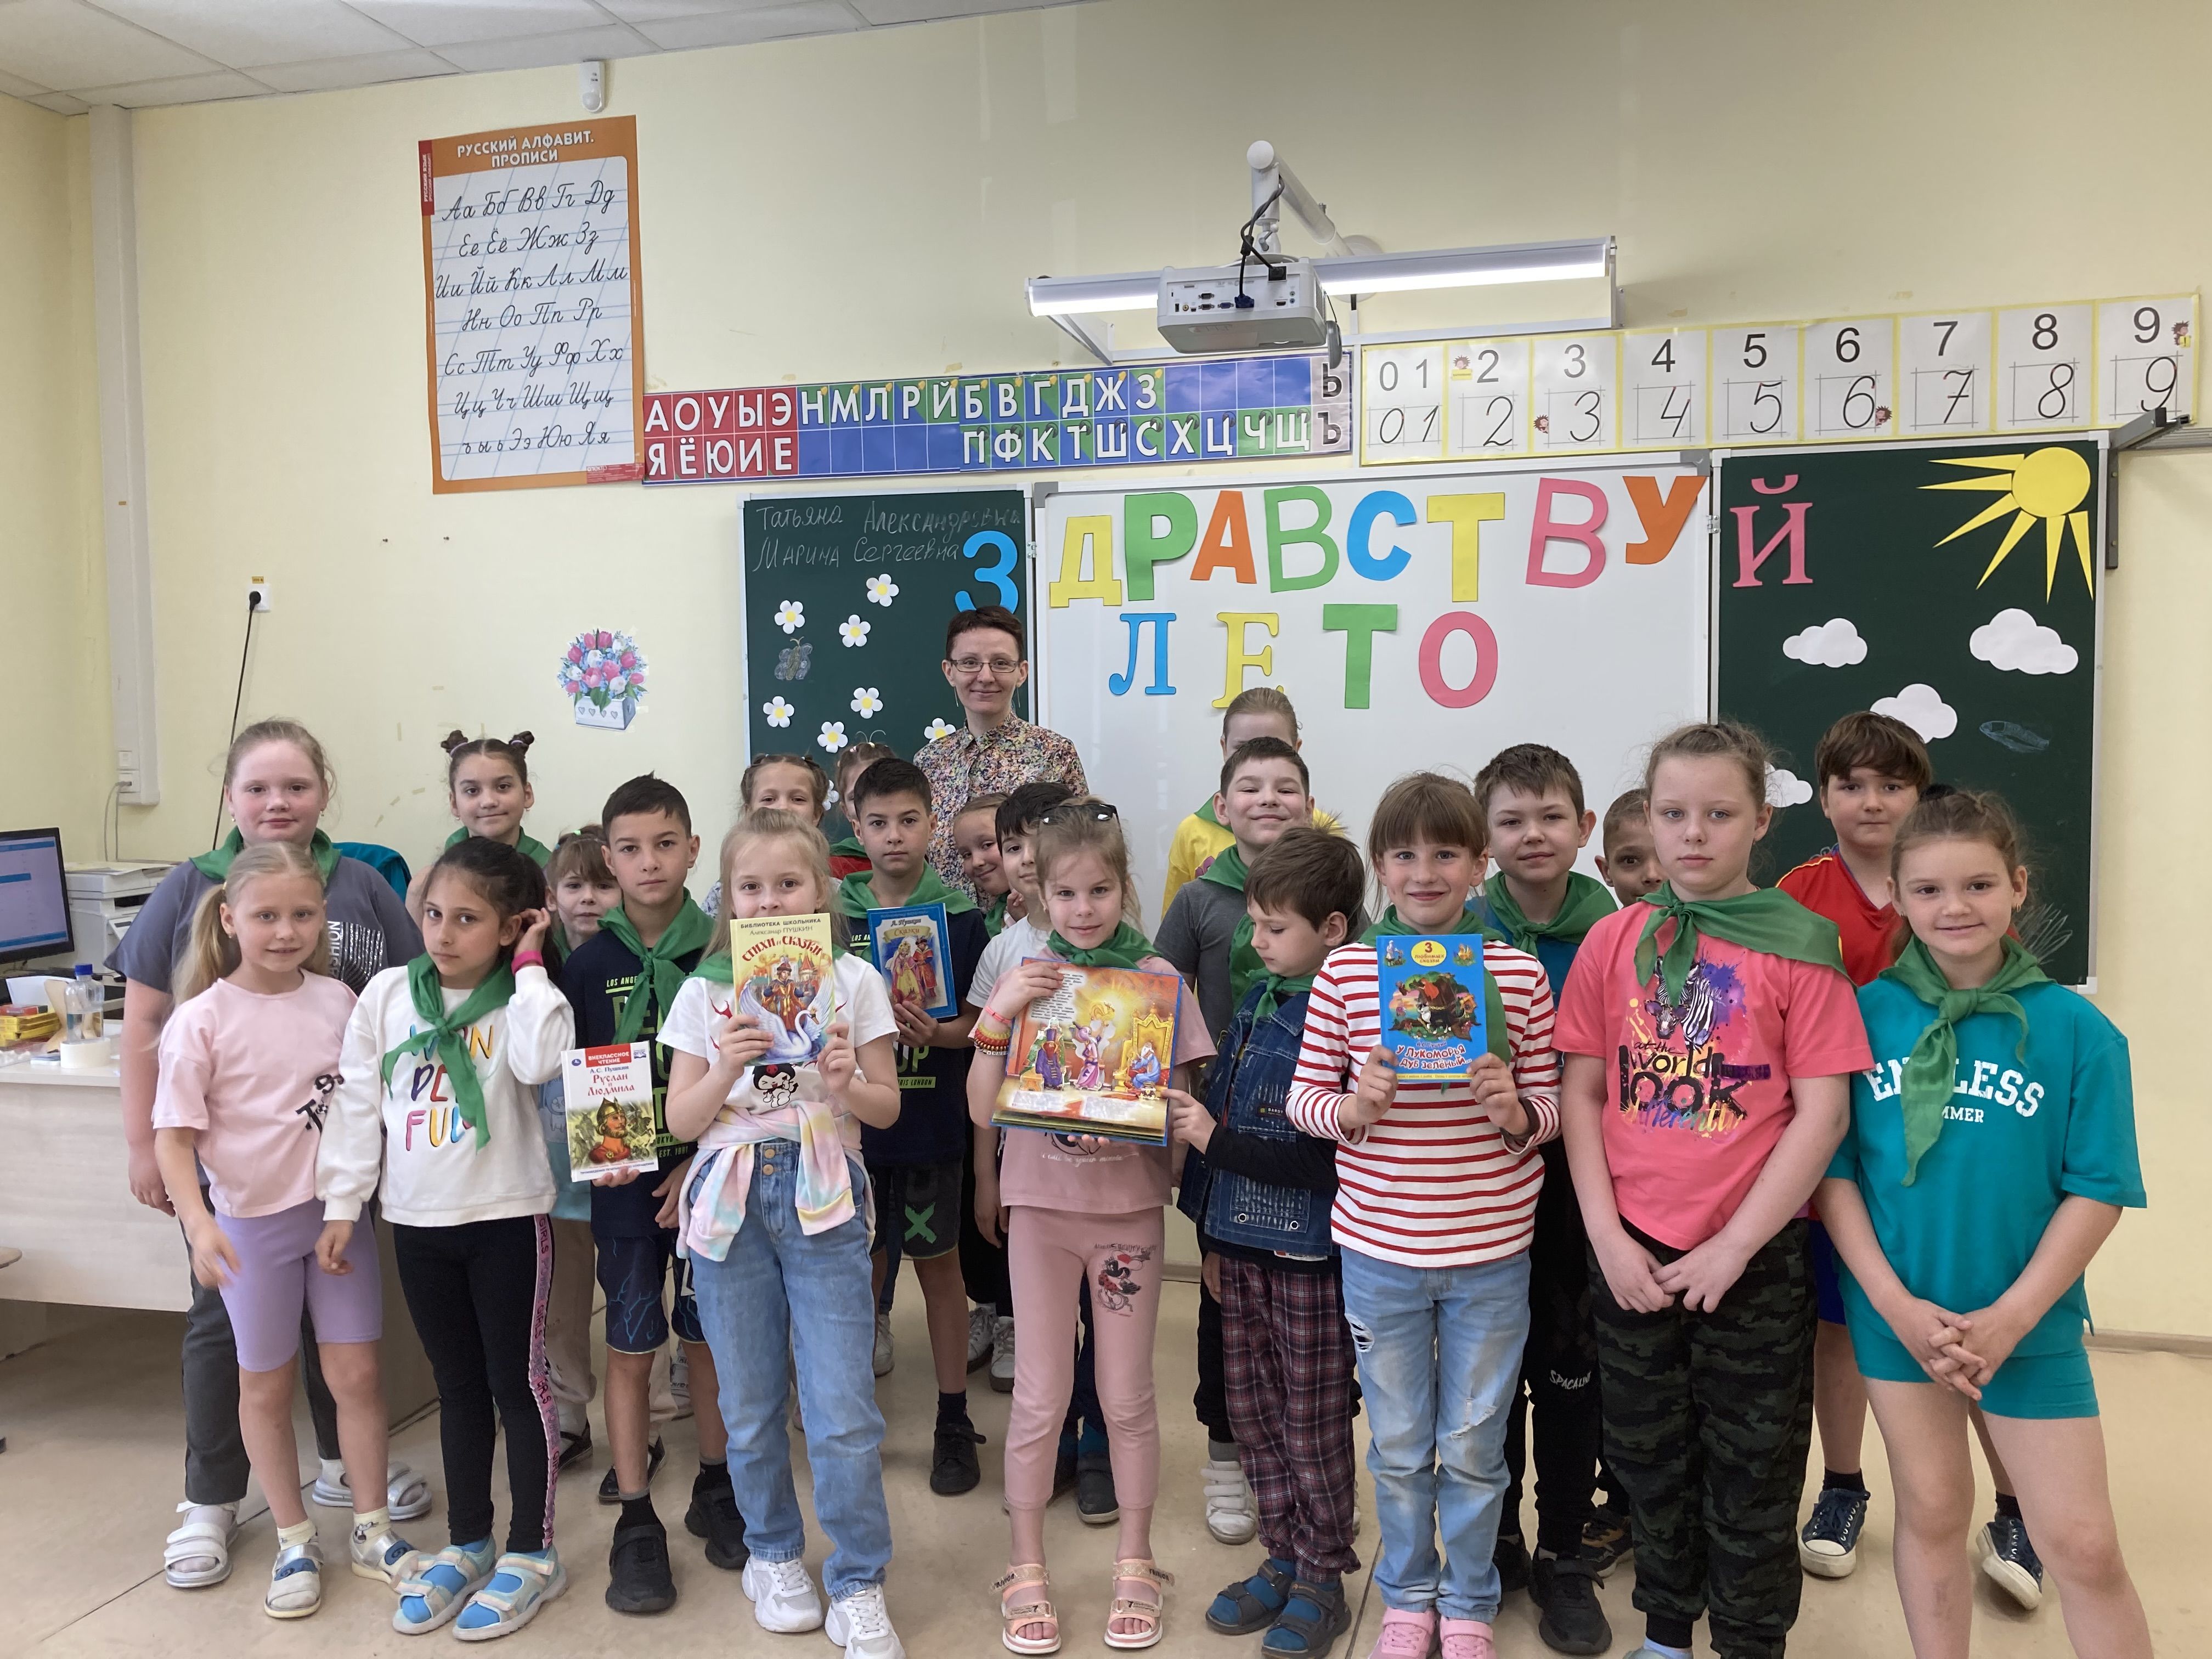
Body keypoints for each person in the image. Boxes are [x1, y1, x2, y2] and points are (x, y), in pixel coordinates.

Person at [1555, 721, 1871, 1659]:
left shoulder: (1800, 944)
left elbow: (1822, 1114)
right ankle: (1665, 1632)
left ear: (1761, 820)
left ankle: (1748, 1640)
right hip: (1633, 1249)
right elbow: (1582, 1092)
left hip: (1753, 1257)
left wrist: (1734, 1246)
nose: (1692, 834)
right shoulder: (1614, 940)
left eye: (1719, 814)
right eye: (1672, 813)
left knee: (1754, 1466)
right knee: (1647, 1455)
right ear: (1648, 819)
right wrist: (1609, 1239)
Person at [1816, 789, 2150, 1659]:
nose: (1954, 907)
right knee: (1931, 1510)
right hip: (1901, 1322)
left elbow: (2099, 1188)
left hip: (2027, 1327)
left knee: (2082, 1543)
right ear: (1896, 896)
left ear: (2019, 887)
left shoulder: (2079, 1032)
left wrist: (2011, 1318)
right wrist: (1893, 1306)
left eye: (1978, 885)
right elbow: (1836, 1175)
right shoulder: (1862, 1017)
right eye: (1928, 890)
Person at [112, 716, 427, 1590]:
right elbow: (172, 1116)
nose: (285, 930)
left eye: (301, 916)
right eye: (258, 787)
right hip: (246, 1223)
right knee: (260, 1377)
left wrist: (351, 1201)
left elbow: (371, 1084)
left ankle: (366, 1519)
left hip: (336, 1218)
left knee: (356, 1370)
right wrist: (193, 1213)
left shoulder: (342, 981)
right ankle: (269, 1526)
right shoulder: (201, 1011)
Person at [1285, 772, 1563, 1659]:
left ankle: (1470, 1600)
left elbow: (1553, 1108)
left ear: (1479, 865)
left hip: (1491, 1252)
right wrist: (1353, 1107)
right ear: (1380, 866)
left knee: (1476, 1446)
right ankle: (1407, 1595)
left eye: (1446, 853)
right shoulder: (1345, 971)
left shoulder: (1516, 973)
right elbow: (1303, 1101)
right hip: (1380, 1249)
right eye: (1404, 854)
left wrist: (1515, 1110)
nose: (1425, 871)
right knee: (1401, 1445)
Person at [1778, 715, 2035, 1588]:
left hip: (1954, 1155)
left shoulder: (1956, 886)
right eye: (1851, 784)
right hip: (1839, 1154)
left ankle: (2016, 1507)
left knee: (1979, 1326)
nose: (1872, 800)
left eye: (1892, 784)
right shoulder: (1797, 894)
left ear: (1922, 795)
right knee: (1841, 1327)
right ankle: (1842, 1487)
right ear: (1823, 799)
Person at [968, 797, 1214, 1652]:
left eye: (1099, 890)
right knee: (1038, 1397)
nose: (1082, 909)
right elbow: (982, 1108)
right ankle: (1025, 1565)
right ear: (1039, 893)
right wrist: (999, 1013)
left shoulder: (1156, 978)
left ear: (1124, 887)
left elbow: (1182, 1098)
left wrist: (1152, 1122)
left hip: (1126, 1219)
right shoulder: (1027, 975)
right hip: (1041, 1212)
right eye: (1065, 893)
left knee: (1126, 1394)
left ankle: (1135, 1560)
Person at [661, 810, 907, 1659]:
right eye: (751, 887)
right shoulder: (704, 992)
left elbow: (887, 1107)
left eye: (788, 884)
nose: (769, 902)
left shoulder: (854, 979)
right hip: (730, 1201)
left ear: (822, 892)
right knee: (749, 1401)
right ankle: (771, 1554)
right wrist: (728, 1065)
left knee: (842, 1408)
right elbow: (683, 1120)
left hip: (825, 1192)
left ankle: (860, 1579)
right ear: (728, 899)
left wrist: (847, 1079)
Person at [320, 837, 575, 1638]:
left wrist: (530, 964)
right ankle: (470, 1540)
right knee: (455, 1386)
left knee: (517, 1384)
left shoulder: (527, 999)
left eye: (468, 919)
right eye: (433, 914)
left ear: (511, 927)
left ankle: (533, 1551)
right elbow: (357, 1102)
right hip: (418, 1222)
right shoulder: (389, 994)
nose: (443, 933)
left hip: (505, 1219)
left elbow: (541, 1062)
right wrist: (342, 1202)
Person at [1171, 827, 1366, 1659]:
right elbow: (1225, 1109)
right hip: (1238, 1248)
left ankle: (1322, 1573)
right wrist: (1212, 1238)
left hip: (1308, 1258)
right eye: (1253, 924)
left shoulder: (1349, 1017)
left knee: (1311, 1420)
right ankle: (1282, 1553)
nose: (1256, 943)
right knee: (1251, 1412)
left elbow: (1328, 1162)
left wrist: (1212, 1141)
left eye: (1274, 928)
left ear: (1332, 929)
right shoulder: (1258, 1001)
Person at [559, 776, 741, 1613]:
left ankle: (716, 1483)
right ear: (609, 858)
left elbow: (751, 1076)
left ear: (694, 850)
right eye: (629, 849)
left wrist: (693, 1163)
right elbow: (584, 1078)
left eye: (666, 844)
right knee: (632, 1345)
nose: (650, 862)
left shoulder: (727, 955)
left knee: (706, 1341)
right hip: (626, 1187)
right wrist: (616, 1158)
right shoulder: (588, 964)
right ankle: (636, 1517)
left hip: (715, 1176)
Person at [1156, 733, 1321, 1548]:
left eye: (1286, 786)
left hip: (1308, 1139)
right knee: (1222, 1305)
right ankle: (1228, 1460)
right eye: (1250, 787)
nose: (1268, 800)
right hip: (1219, 1131)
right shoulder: (1200, 900)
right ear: (1221, 808)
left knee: (1303, 1323)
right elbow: (1155, 995)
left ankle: (1302, 1470)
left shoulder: (1337, 901)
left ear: (1310, 805)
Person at [1471, 743, 1618, 1655]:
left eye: (1551, 816)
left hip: (1577, 1180)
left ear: (1583, 827)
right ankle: (1495, 1540)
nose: (1533, 834)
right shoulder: (1453, 932)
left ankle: (1564, 1550)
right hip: (1477, 1181)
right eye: (1511, 820)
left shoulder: (1615, 932)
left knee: (1568, 1371)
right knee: (1487, 1375)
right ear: (1482, 836)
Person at [831, 758, 991, 1493]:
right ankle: (853, 1417)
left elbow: (983, 1027)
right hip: (851, 1133)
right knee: (859, 1269)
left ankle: (953, 1418)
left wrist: (940, 1033)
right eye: (878, 823)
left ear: (932, 824)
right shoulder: (834, 919)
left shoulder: (960, 917)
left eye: (908, 821)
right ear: (855, 827)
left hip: (932, 1124)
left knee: (939, 1268)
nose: (894, 836)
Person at [966, 780, 1076, 1404]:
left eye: (1041, 839)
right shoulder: (1001, 952)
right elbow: (987, 1065)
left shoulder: (1113, 938)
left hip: (1097, 1159)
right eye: (1013, 845)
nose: (1028, 857)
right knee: (1040, 1305)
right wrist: (987, 1176)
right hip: (1023, 1157)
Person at [538, 830, 618, 1472]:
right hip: (555, 1157)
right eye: (574, 885)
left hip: (622, 1141)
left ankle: (645, 1416)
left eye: (602, 884)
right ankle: (567, 1412)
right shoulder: (534, 964)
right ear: (551, 896)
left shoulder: (631, 955)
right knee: (561, 1295)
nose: (588, 898)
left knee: (631, 1286)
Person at [916, 604, 1087, 894]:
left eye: (1001, 663)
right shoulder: (929, 762)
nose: (985, 677)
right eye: (970, 662)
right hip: (946, 919)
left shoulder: (1055, 753)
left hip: (1033, 918)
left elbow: (1084, 848)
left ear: (1021, 672)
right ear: (950, 672)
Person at [1158, 687, 1334, 915]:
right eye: (1243, 748)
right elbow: (1176, 921)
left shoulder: (1324, 831)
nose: (1257, 756)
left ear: (1296, 748)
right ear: (1224, 747)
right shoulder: (1191, 832)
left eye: (1274, 746)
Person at [705, 752, 837, 921]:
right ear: (749, 812)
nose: (783, 807)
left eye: (797, 799)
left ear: (817, 814)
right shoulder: (721, 894)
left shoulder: (837, 892)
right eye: (769, 799)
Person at [955, 793, 1017, 936]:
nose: (976, 862)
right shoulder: (995, 916)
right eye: (967, 855)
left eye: (987, 845)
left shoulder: (1050, 907)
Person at [829, 743, 895, 877]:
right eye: (856, 797)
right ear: (846, 811)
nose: (871, 805)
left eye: (881, 791)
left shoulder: (921, 854)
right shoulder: (835, 867)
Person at [1595, 790, 1662, 909]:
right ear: (1606, 871)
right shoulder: (1596, 922)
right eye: (1630, 861)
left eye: (1665, 858)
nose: (1652, 876)